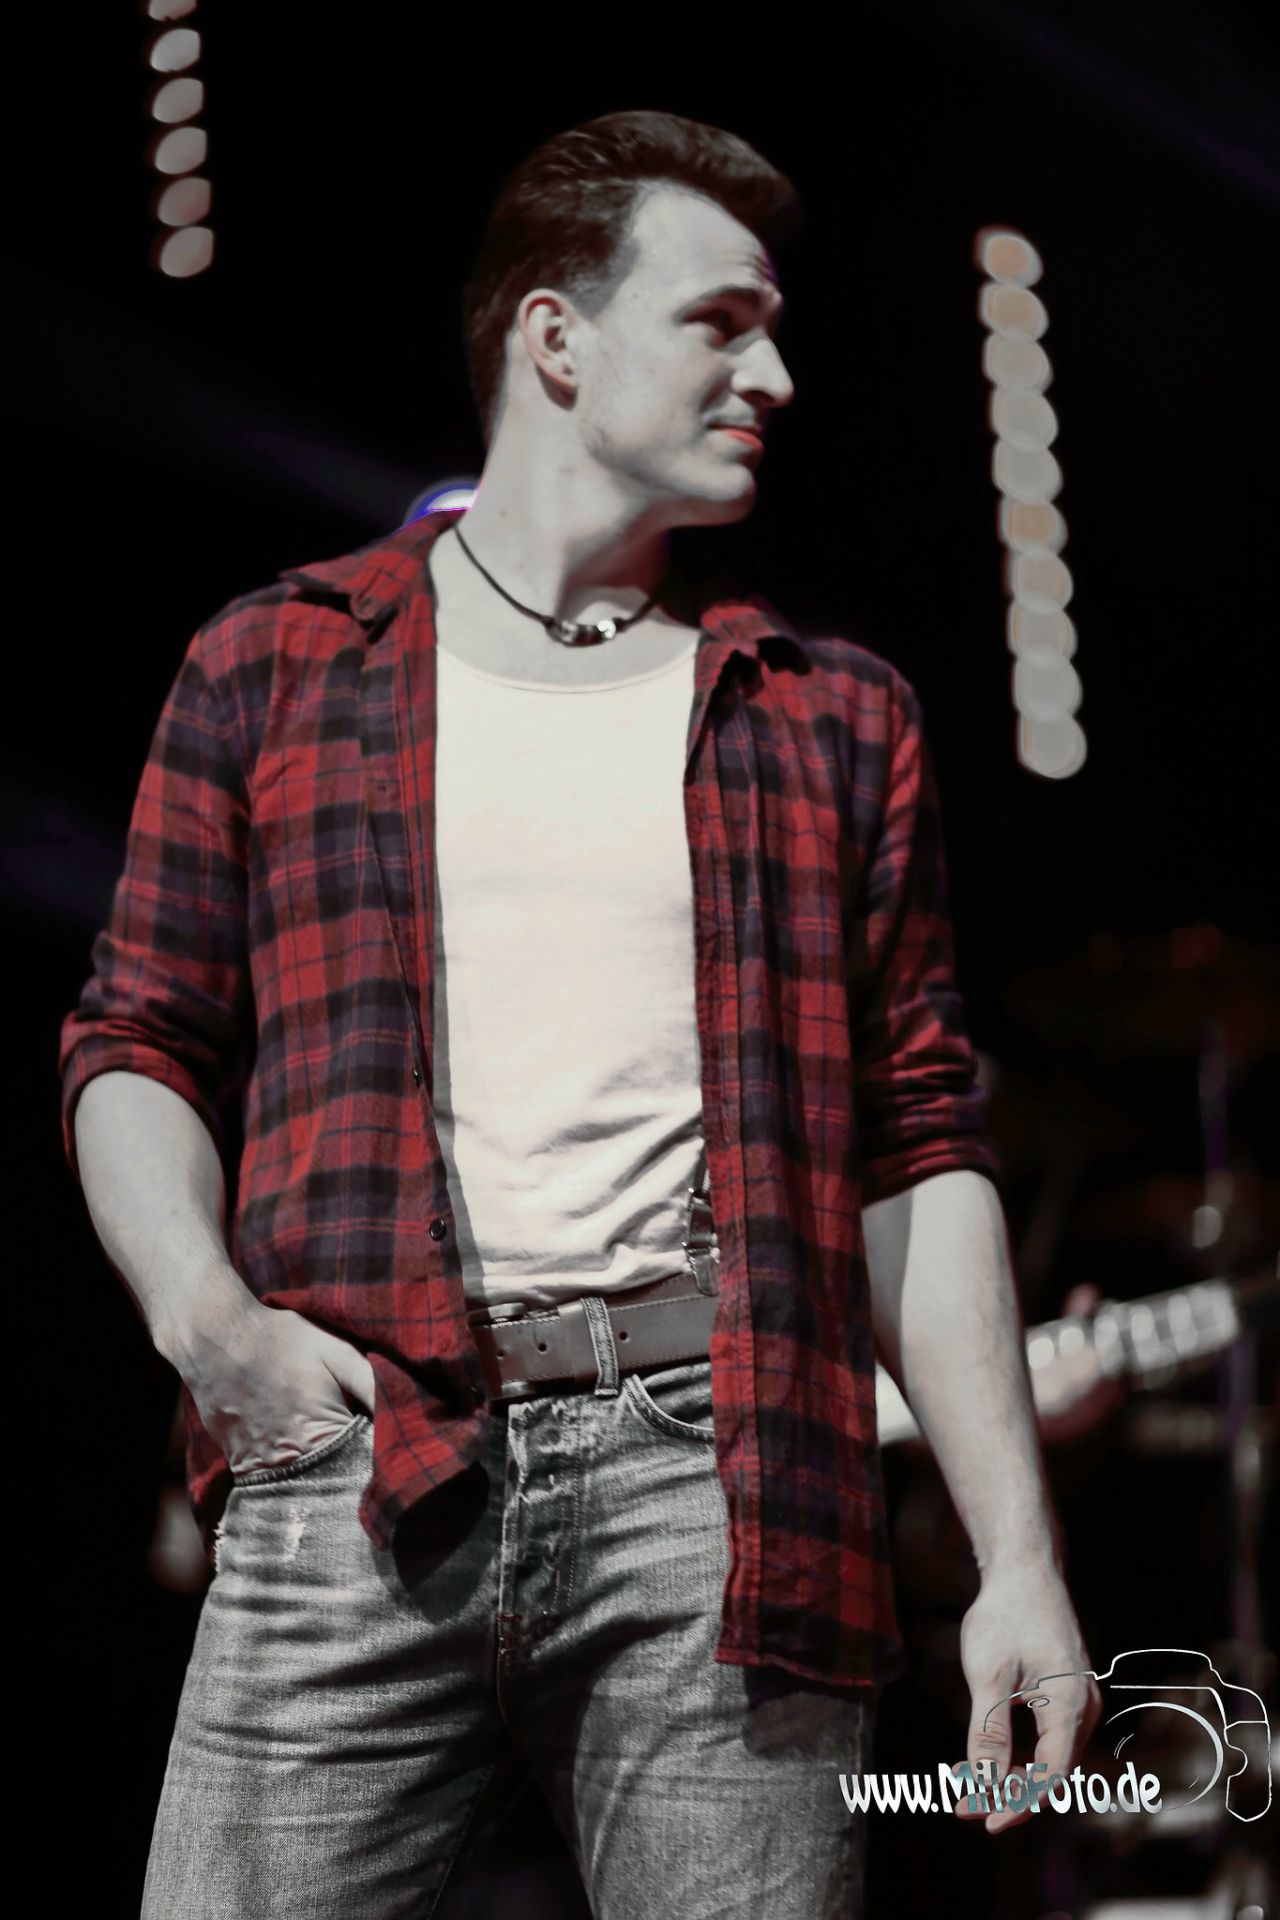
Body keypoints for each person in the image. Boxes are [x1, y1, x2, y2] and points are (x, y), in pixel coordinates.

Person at [59, 109, 1100, 1919]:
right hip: (359, 1458)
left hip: (725, 1486)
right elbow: (135, 1041)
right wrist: (208, 1326)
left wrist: (1020, 1557)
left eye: (774, 332)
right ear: (557, 337)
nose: (774, 376)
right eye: (720, 323)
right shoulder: (277, 662)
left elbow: (918, 1150)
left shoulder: (823, 716)